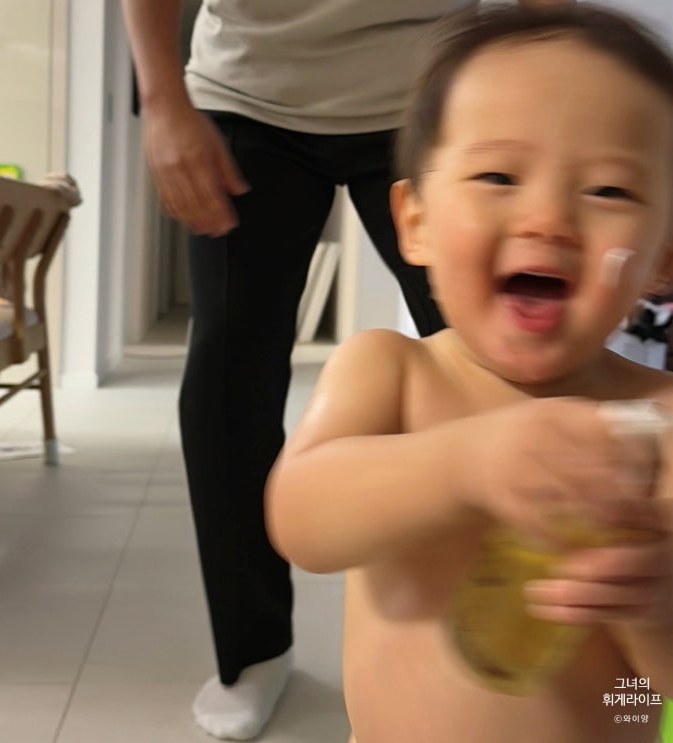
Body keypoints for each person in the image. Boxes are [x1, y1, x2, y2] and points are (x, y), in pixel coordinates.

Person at [120, 0, 574, 739]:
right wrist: (164, 103)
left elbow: (545, 10)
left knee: (500, 367)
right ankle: (253, 651)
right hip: (249, 91)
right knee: (227, 380)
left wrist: (550, 117)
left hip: (429, 92)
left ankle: (512, 629)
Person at [266, 5, 673, 743]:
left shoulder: (660, 425)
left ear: (661, 258)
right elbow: (300, 519)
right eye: (498, 175)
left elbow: (647, 696)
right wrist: (467, 462)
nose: (547, 218)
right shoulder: (390, 371)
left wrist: (655, 611)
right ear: (414, 222)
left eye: (609, 190)